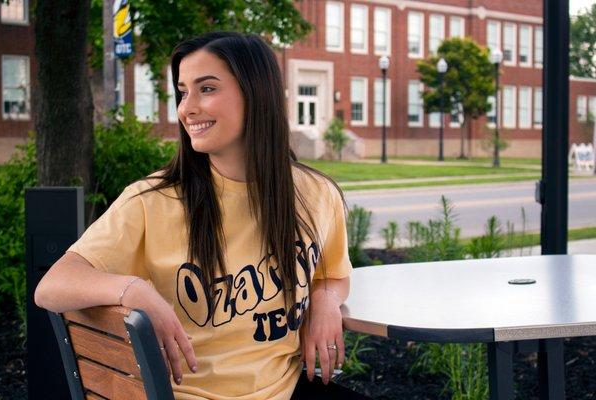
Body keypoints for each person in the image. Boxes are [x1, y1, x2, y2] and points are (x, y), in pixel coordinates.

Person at [35, 31, 368, 399]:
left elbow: (334, 274)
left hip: (286, 389)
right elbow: (52, 285)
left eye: (206, 89)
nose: (186, 108)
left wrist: (325, 300)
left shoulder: (315, 194)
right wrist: (135, 290)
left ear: (256, 93)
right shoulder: (151, 201)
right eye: (183, 92)